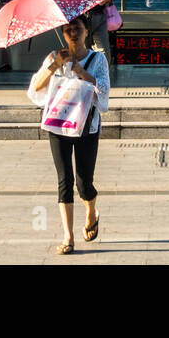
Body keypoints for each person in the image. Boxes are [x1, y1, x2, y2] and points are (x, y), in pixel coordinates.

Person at [27, 16, 109, 254]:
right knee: (65, 181)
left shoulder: (97, 58)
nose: (73, 33)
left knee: (84, 183)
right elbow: (35, 89)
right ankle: (68, 236)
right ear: (63, 33)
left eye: (77, 29)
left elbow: (103, 91)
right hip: (58, 125)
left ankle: (91, 210)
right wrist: (55, 65)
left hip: (86, 127)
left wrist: (82, 72)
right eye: (68, 30)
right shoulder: (55, 57)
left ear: (86, 32)